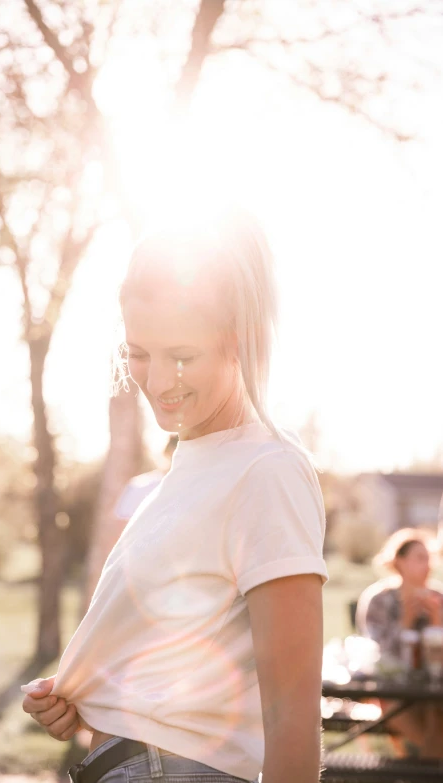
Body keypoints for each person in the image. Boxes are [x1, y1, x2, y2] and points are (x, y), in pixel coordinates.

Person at [22, 208, 328, 783]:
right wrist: (88, 699)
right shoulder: (189, 471)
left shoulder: (267, 470)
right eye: (139, 353)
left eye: (182, 357)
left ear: (238, 342)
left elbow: (292, 712)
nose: (158, 382)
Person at [356, 528, 443, 757]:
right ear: (399, 561)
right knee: (396, 706)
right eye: (420, 558)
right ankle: (429, 765)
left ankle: (423, 767)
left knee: (437, 709)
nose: (428, 565)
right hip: (391, 686)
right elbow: (377, 652)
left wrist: (436, 623)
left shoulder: (438, 598)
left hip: (433, 687)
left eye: (429, 558)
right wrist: (404, 622)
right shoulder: (378, 599)